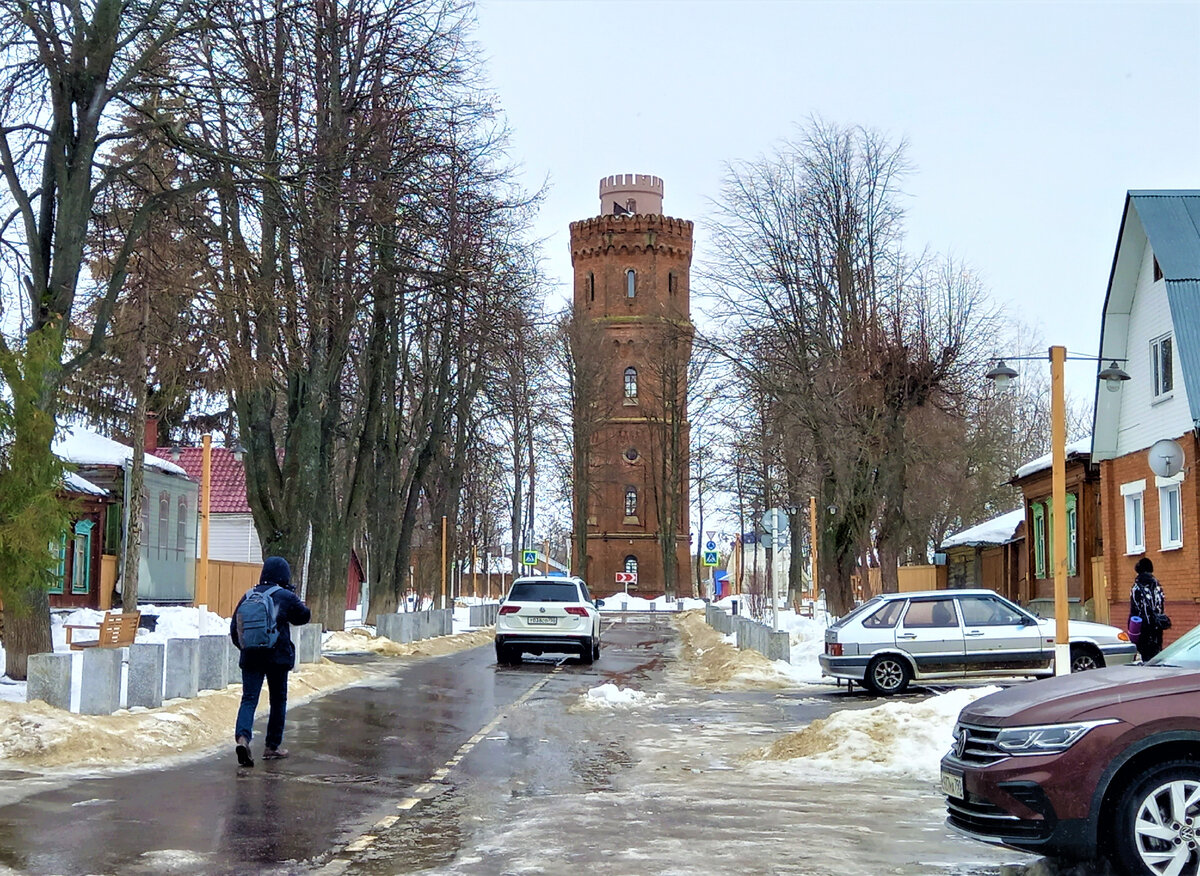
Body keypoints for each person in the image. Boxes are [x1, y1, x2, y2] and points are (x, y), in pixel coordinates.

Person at [230, 556, 311, 767]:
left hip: (250, 657)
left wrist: (248, 649)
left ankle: (242, 739)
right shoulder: (284, 596)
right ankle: (272, 746)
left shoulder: (248, 596)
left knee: (249, 699)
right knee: (278, 701)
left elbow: (234, 630)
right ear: (283, 575)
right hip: (277, 658)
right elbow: (303, 617)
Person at [1129, 557, 1167, 662]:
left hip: (1143, 627)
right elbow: (1161, 606)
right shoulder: (1157, 586)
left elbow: (1134, 610)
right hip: (1157, 626)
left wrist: (1132, 629)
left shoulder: (1136, 588)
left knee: (1146, 656)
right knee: (1156, 652)